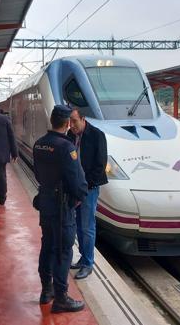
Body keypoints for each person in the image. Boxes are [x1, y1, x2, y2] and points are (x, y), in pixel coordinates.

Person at [33, 105, 88, 313]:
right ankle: (61, 298)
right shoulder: (67, 148)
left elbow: (38, 173)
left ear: (52, 121)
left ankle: (46, 291)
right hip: (63, 207)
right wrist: (80, 197)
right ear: (66, 124)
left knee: (47, 245)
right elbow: (77, 182)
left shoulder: (39, 144)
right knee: (64, 251)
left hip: (46, 202)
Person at [67, 108, 108, 280]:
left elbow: (100, 164)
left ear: (83, 119)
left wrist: (85, 186)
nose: (72, 125)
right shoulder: (70, 135)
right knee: (77, 225)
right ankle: (83, 258)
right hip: (75, 188)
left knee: (87, 226)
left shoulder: (97, 135)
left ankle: (88, 264)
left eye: (75, 121)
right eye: (70, 121)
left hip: (89, 189)